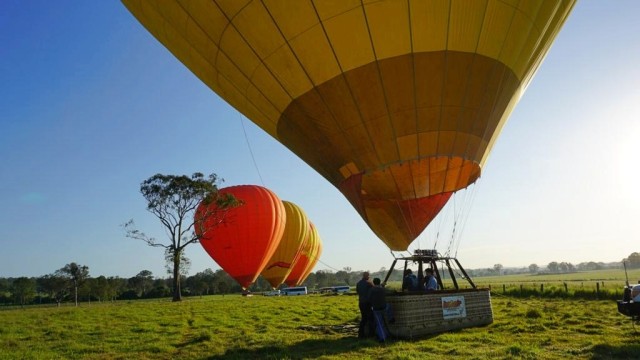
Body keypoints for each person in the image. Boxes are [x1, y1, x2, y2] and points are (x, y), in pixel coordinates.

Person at [368, 277, 395, 342]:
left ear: (373, 283)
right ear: (379, 282)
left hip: (376, 309)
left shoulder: (371, 290)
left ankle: (382, 337)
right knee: (389, 306)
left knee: (380, 324)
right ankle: (390, 318)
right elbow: (390, 292)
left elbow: (368, 298)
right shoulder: (383, 289)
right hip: (384, 307)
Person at [356, 271, 374, 338]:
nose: (369, 277)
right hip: (367, 303)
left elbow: (358, 292)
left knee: (363, 319)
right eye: (368, 276)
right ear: (367, 276)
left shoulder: (358, 283)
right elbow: (374, 290)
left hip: (361, 303)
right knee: (371, 318)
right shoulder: (369, 283)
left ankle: (361, 334)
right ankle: (371, 335)